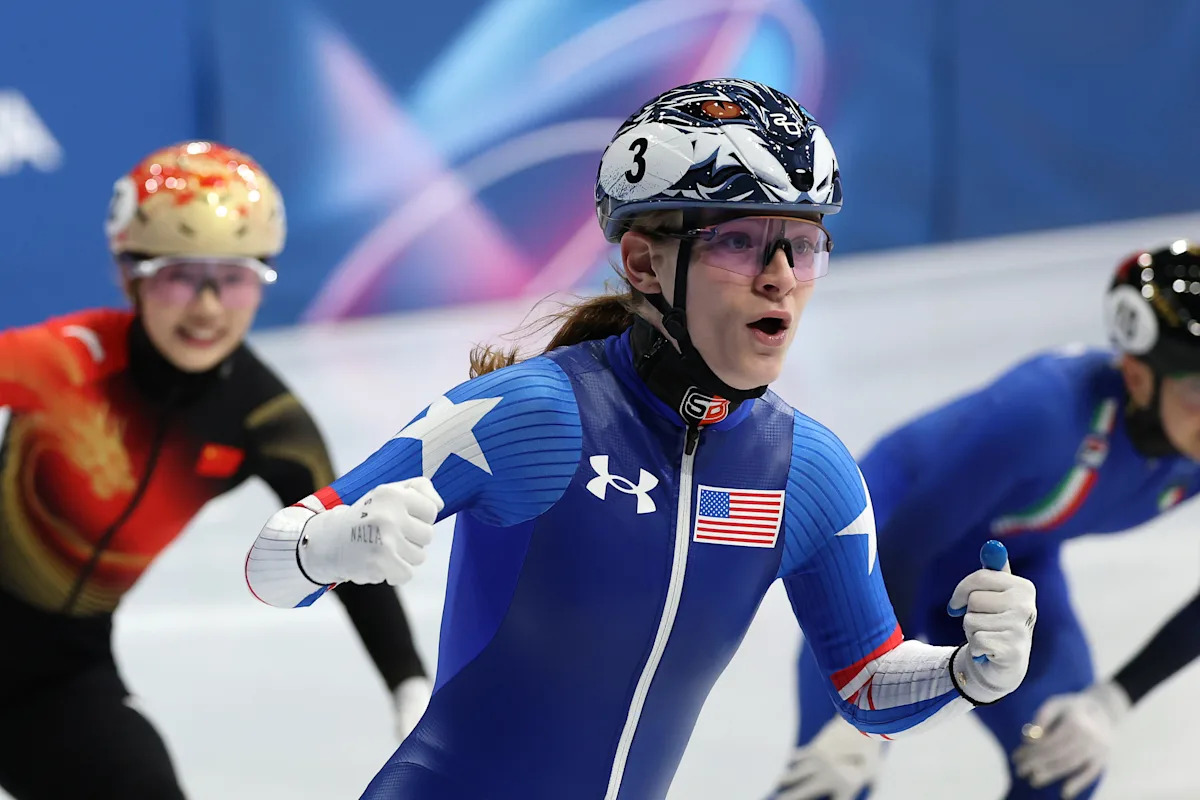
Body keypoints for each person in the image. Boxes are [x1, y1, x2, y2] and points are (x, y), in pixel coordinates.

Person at [245, 78, 1038, 800]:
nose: (779, 277)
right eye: (739, 241)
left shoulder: (808, 472)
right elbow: (270, 565)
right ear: (643, 263)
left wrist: (967, 670)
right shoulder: (535, 414)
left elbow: (866, 682)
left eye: (800, 246)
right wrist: (333, 543)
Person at [0, 141, 430, 800]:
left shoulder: (267, 420)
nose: (207, 307)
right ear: (129, 274)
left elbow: (347, 550)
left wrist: (408, 682)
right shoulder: (69, 359)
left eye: (234, 278)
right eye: (180, 276)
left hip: (61, 682)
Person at [770, 241, 1200, 800]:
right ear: (1138, 377)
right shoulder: (1046, 411)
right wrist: (863, 706)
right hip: (882, 548)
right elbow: (906, 545)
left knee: (1061, 762)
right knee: (829, 779)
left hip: (1005, 563)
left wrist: (1111, 701)